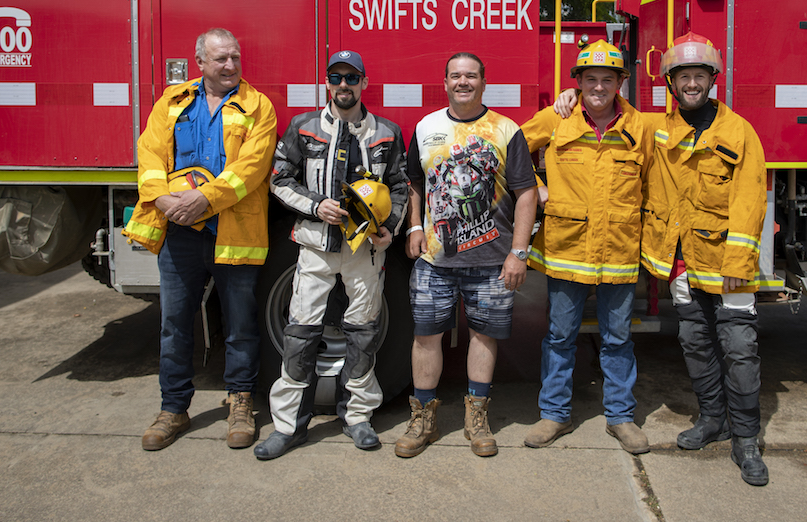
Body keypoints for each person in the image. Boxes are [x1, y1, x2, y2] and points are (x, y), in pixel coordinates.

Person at [124, 27, 278, 451]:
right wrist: (163, 200)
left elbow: (252, 167)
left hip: (233, 234)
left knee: (241, 326)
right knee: (175, 325)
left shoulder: (257, 106)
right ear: (201, 64)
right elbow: (149, 154)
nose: (230, 66)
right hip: (179, 233)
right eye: (221, 59)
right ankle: (173, 409)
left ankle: (241, 405)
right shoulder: (172, 103)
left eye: (235, 57)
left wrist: (202, 200)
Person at [254, 50, 408, 460]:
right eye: (336, 77)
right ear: (326, 83)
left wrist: (389, 228)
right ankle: (288, 427)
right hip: (315, 248)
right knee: (299, 336)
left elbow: (398, 186)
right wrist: (315, 205)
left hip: (365, 254)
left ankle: (357, 419)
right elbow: (279, 179)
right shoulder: (302, 128)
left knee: (362, 335)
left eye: (352, 77)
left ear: (364, 83)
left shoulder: (387, 132)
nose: (344, 85)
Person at [394, 52, 538, 458]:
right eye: (456, 76)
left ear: (483, 82)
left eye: (471, 76)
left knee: (484, 335)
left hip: (493, 261)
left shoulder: (506, 130)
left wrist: (519, 253)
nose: (463, 82)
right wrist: (415, 226)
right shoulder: (426, 127)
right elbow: (415, 182)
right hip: (435, 262)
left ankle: (476, 417)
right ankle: (423, 417)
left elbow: (526, 192)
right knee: (426, 337)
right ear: (444, 82)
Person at [642, 32, 769, 486]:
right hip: (681, 265)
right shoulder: (660, 131)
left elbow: (751, 200)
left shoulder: (738, 132)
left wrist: (737, 265)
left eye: (699, 75)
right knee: (695, 344)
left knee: (739, 349)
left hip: (727, 265)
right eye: (683, 77)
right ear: (671, 83)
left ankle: (747, 439)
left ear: (713, 79)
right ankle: (712, 420)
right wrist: (567, 99)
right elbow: (605, 117)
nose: (691, 84)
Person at [520, 40, 657, 454]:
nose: (599, 87)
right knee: (560, 336)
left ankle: (621, 417)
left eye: (607, 80)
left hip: (618, 250)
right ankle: (553, 415)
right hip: (567, 248)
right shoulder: (556, 118)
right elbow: (512, 153)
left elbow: (653, 183)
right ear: (578, 83)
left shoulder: (641, 128)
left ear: (620, 83)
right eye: (590, 79)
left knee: (618, 339)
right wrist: (537, 188)